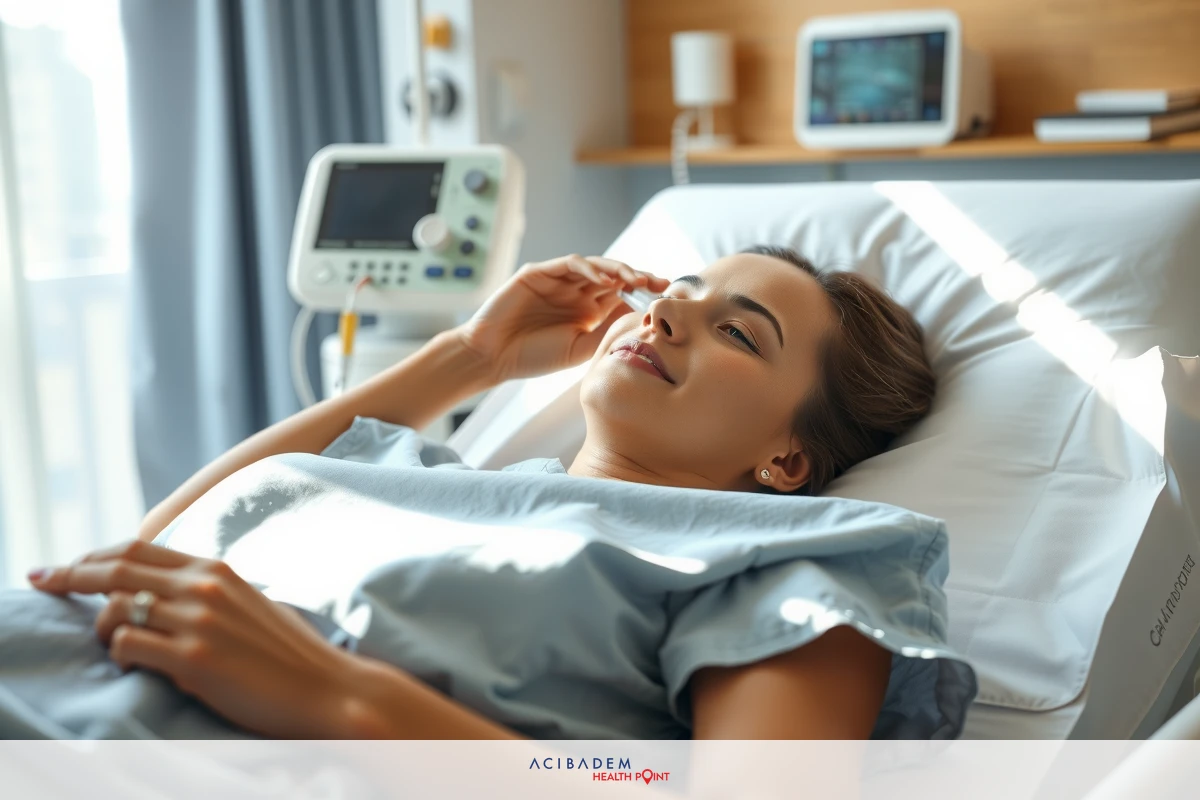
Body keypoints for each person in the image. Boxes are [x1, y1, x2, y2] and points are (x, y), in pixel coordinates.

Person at [23, 246, 943, 740]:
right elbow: (164, 540)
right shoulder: (415, 478)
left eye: (738, 334)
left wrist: (343, 697)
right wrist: (469, 356)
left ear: (788, 461)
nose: (661, 313)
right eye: (680, 293)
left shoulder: (789, 564)